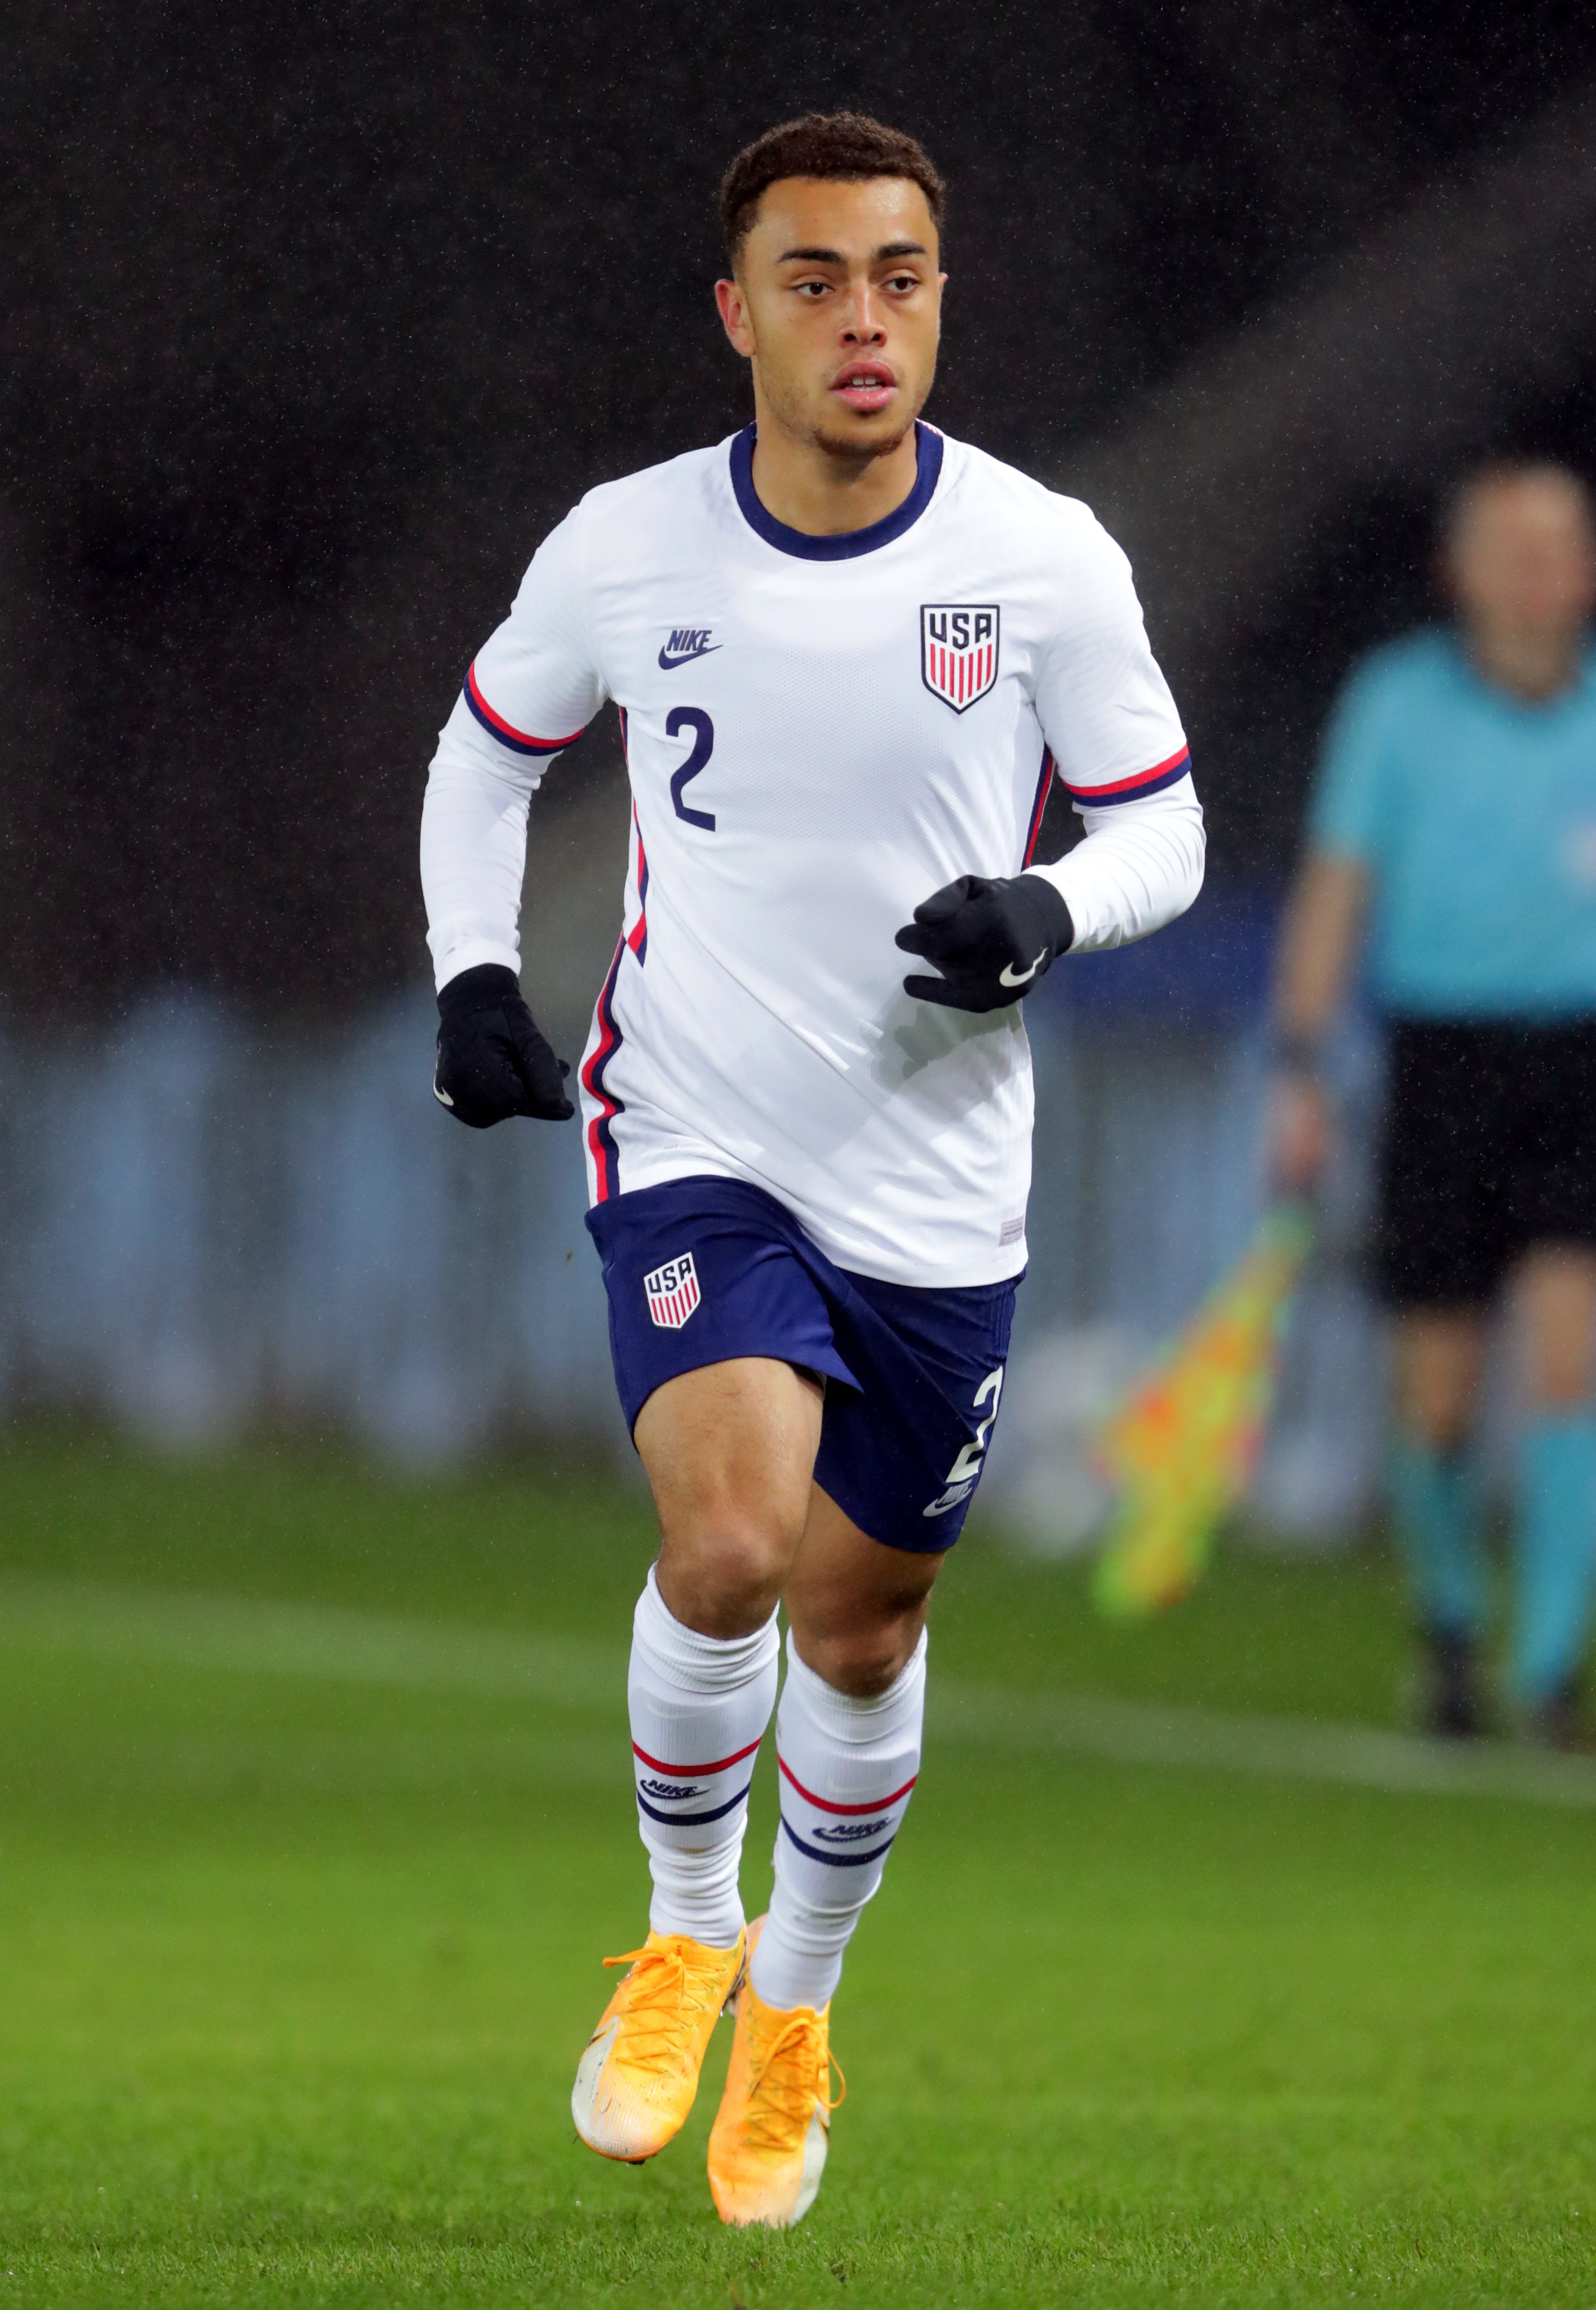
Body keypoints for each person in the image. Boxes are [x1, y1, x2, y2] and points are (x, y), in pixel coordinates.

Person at [418, 111, 1203, 2227]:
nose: (864, 320)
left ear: (938, 297)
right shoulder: (627, 544)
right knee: (739, 1545)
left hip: (939, 1176)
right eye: (816, 279)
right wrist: (474, 970)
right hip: (690, 1127)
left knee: (860, 1629)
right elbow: (486, 746)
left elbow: (1162, 824)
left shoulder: (1042, 556)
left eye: (902, 278)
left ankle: (796, 1992)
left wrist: (1047, 912)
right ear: (735, 309)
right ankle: (683, 1925)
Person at [1270, 462, 1596, 1746]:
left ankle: (1553, 1666)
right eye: (1510, 548)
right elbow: (1338, 888)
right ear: (1461, 572)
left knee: (1572, 1359)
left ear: (1595, 570)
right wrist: (1299, 1066)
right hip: (1440, 1058)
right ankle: (1451, 1625)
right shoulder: (1397, 706)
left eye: (1559, 546)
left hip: (1586, 1059)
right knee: (1439, 1389)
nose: (1537, 571)